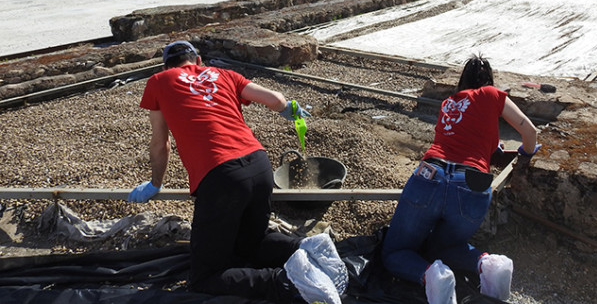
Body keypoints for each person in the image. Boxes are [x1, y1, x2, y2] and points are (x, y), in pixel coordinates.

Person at [128, 40, 348, 304]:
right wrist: (288, 109)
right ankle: (304, 247)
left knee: (204, 277)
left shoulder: (158, 81)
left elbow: (160, 144)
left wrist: (155, 183)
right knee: (250, 243)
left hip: (221, 175)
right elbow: (276, 99)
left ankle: (284, 283)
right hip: (258, 164)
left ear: (167, 65)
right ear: (198, 61)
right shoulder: (224, 74)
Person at [381, 55, 540, 304]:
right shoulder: (491, 94)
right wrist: (527, 154)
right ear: (488, 81)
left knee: (395, 252)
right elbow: (529, 131)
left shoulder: (448, 103)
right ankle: (488, 265)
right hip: (473, 185)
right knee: (443, 247)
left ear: (462, 80)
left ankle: (430, 275)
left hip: (431, 175)